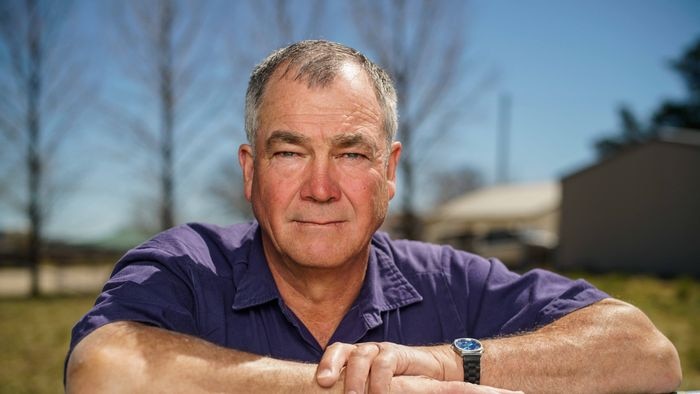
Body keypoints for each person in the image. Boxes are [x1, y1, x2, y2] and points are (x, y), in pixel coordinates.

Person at [65, 40, 681, 393]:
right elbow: (102, 368)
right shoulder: (187, 265)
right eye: (289, 152)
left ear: (389, 171)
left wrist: (447, 363)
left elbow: (647, 353)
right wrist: (380, 389)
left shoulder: (449, 280)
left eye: (351, 153)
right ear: (250, 172)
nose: (322, 187)